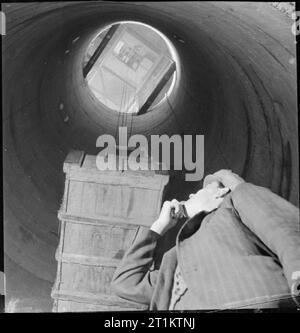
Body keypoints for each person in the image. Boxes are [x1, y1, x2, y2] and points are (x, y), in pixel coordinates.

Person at [111, 170, 300, 310]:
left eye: (200, 191)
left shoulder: (236, 200)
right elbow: (125, 283)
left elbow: (283, 231)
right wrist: (159, 226)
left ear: (220, 192)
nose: (191, 195)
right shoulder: (175, 258)